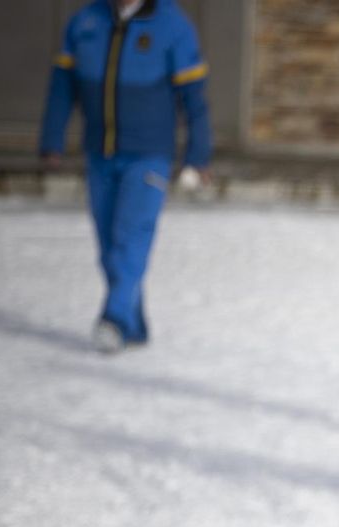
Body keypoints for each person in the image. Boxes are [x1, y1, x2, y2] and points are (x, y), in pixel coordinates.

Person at [39, 0, 212, 352]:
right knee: (107, 248)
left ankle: (114, 318)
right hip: (99, 153)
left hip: (149, 155)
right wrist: (51, 138)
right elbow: (62, 86)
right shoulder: (85, 22)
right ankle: (133, 325)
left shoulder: (171, 26)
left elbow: (195, 99)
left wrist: (198, 155)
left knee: (131, 238)